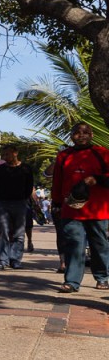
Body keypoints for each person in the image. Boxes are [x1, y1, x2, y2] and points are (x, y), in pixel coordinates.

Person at [52, 123, 109, 293]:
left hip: (97, 209)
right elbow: (57, 181)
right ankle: (72, 281)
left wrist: (97, 179)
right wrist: (56, 202)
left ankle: (102, 277)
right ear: (71, 136)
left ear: (91, 135)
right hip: (71, 208)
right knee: (73, 244)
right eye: (77, 132)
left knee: (99, 244)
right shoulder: (64, 156)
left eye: (85, 132)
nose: (81, 135)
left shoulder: (102, 153)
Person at [0, 145, 33, 270]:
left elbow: (29, 187)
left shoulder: (26, 168)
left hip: (20, 203)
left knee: (19, 233)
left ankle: (15, 259)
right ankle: (2, 260)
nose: (5, 157)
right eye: (3, 155)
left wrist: (23, 199)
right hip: (3, 203)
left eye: (7, 154)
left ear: (15, 153)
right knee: (3, 231)